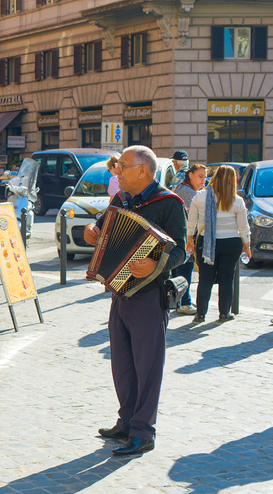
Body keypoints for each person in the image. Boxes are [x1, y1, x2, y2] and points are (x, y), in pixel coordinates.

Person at [83, 145, 187, 455]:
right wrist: (93, 231)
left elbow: (181, 251)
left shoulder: (169, 203)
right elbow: (102, 225)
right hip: (119, 291)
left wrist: (156, 265)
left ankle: (143, 431)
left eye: (123, 166)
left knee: (147, 366)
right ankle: (126, 422)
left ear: (143, 170)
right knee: (123, 365)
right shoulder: (120, 199)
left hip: (148, 295)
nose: (117, 171)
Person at [187, 165, 251, 324]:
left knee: (205, 279)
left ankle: (200, 314)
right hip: (231, 243)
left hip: (206, 242)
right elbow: (243, 227)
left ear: (215, 177)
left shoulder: (200, 197)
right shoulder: (236, 200)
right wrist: (247, 246)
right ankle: (224, 313)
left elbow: (191, 221)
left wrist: (189, 240)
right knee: (226, 278)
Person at [172, 164, 207, 316]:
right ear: (190, 175)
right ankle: (184, 302)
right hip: (185, 237)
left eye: (205, 177)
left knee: (178, 269)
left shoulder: (183, 188)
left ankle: (179, 300)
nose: (203, 180)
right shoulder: (189, 192)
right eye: (200, 176)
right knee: (185, 269)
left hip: (179, 235)